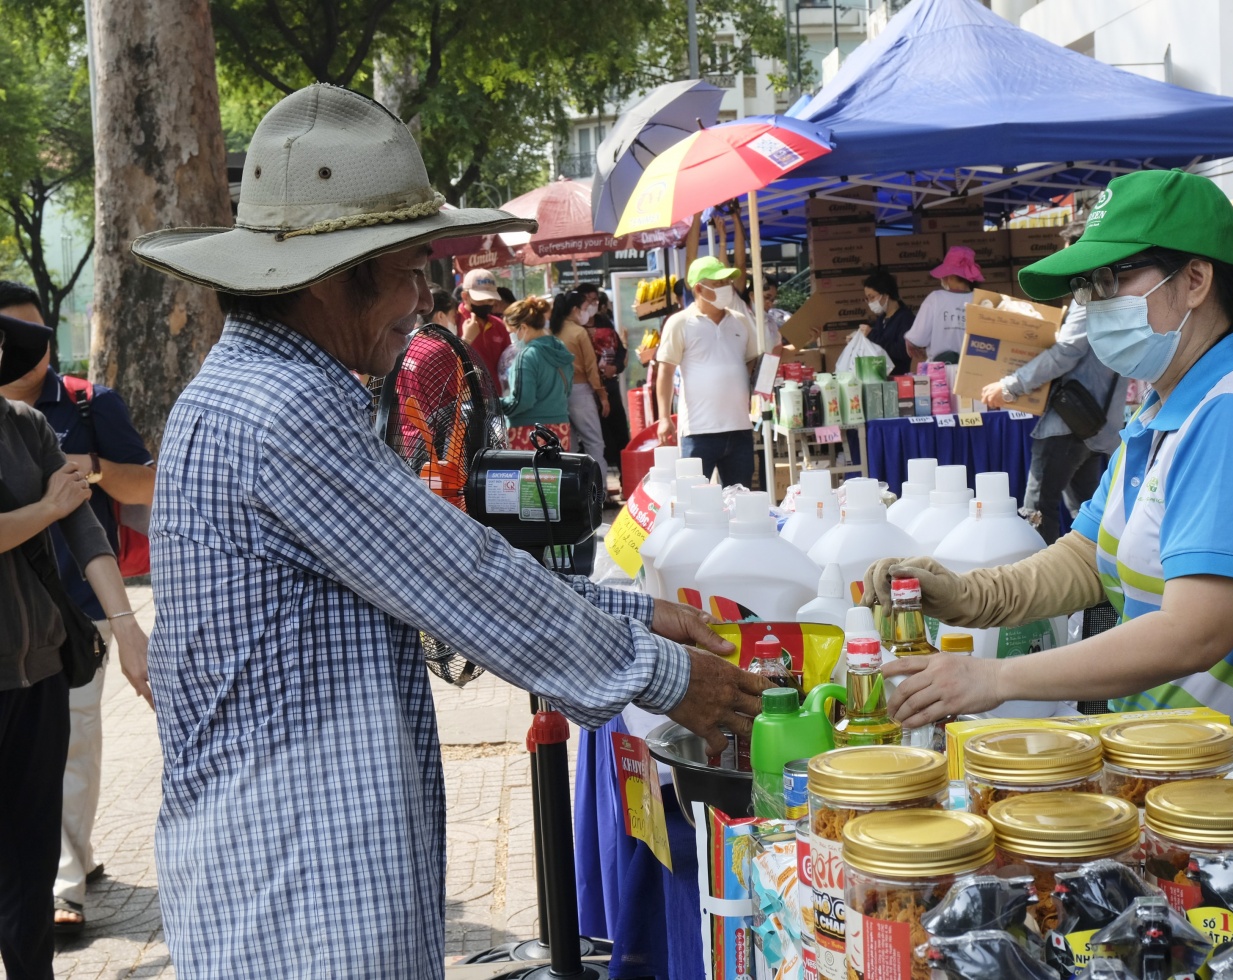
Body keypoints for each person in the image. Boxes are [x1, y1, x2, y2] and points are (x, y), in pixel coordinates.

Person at [128, 83, 767, 979]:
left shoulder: (272, 391)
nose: (425, 297)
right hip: (295, 887)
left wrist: (633, 615)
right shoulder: (281, 410)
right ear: (332, 276)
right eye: (411, 268)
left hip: (294, 861)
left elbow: (424, 569)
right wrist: (662, 673)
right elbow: (462, 579)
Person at [865, 169, 1233, 750]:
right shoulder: (1161, 414)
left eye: (1113, 279)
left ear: (1195, 279)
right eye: (1088, 287)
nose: (1094, 305)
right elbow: (1089, 556)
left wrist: (994, 678)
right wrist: (969, 596)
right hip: (1177, 772)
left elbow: (1193, 633)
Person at [0, 283, 156, 936]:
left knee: (72, 752)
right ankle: (68, 863)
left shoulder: (86, 404)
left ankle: (63, 886)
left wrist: (86, 471)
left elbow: (142, 485)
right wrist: (49, 504)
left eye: (29, 338)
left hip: (74, 615)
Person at [981, 222, 1125, 545]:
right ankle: (1096, 579)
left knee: (1036, 509)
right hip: (1098, 426)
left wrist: (1010, 385)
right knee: (1089, 515)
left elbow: (1064, 354)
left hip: (1069, 423)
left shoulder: (1088, 296)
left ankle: (1043, 585)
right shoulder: (1112, 292)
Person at [655, 256, 758, 488]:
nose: (727, 289)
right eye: (719, 284)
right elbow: (666, 371)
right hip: (698, 431)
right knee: (695, 501)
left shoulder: (741, 321)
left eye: (727, 283)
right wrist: (663, 418)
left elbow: (751, 361)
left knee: (740, 499)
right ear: (699, 288)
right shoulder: (679, 322)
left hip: (740, 427)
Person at [496, 296, 574, 450]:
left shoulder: (526, 356)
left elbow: (521, 401)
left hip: (527, 431)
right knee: (554, 474)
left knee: (527, 474)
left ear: (523, 328)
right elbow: (568, 389)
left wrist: (494, 403)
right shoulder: (560, 349)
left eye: (511, 332)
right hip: (560, 429)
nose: (511, 338)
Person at [551, 289, 611, 481]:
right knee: (595, 443)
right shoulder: (579, 332)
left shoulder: (553, 331)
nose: (587, 312)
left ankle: (575, 490)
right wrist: (603, 396)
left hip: (557, 394)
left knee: (570, 447)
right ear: (576, 309)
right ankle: (599, 493)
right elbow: (592, 369)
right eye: (585, 307)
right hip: (581, 392)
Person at [905, 245, 982, 365]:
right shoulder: (980, 300)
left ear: (949, 276)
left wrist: (910, 343)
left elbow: (917, 339)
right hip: (971, 370)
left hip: (940, 372)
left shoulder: (935, 298)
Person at [586, 290, 631, 473]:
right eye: (589, 300)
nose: (593, 304)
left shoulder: (604, 321)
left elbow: (620, 351)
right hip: (589, 391)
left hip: (610, 386)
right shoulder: (574, 327)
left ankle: (625, 479)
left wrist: (616, 367)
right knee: (598, 439)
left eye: (596, 300)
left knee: (621, 435)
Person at [458, 269, 512, 391]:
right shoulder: (454, 321)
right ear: (465, 297)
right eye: (480, 299)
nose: (486, 304)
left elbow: (507, 363)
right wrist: (466, 339)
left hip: (497, 399)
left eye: (490, 300)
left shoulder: (499, 325)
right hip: (467, 400)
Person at [861, 269, 914, 375]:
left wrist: (872, 335)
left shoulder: (905, 318)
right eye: (867, 299)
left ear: (886, 294)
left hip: (899, 378)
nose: (870, 302)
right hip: (882, 377)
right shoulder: (882, 319)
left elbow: (903, 351)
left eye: (872, 297)